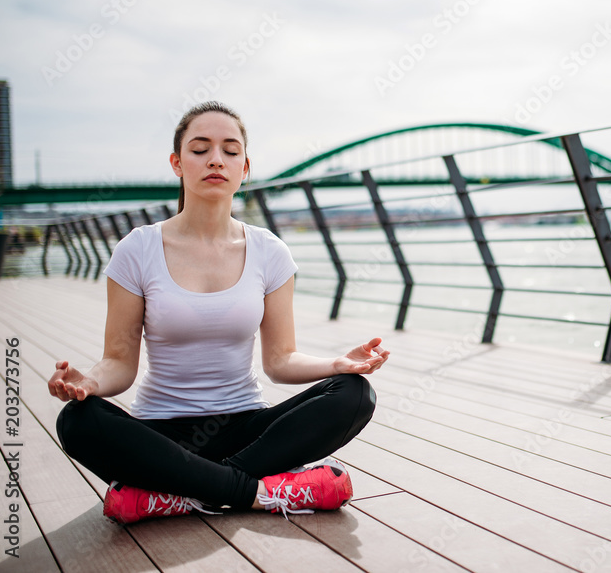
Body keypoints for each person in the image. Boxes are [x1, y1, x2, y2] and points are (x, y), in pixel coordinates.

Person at [48, 101, 389, 524]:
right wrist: (91, 382)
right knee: (77, 422)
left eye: (230, 150)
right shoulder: (136, 250)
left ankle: (180, 492)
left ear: (245, 167)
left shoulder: (270, 252)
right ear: (177, 163)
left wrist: (335, 363)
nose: (215, 159)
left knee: (354, 393)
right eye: (199, 148)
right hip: (161, 434)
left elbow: (280, 361)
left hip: (248, 431)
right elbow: (119, 362)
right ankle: (254, 492)